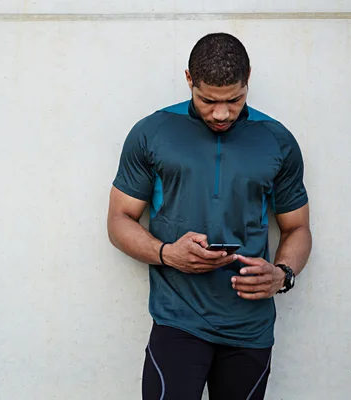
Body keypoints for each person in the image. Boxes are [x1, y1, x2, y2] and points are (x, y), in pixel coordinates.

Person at [107, 33, 312, 400]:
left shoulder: (277, 140)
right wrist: (167, 253)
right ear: (189, 80)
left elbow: (297, 227)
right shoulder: (152, 133)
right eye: (208, 100)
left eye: (234, 99)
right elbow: (119, 219)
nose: (221, 113)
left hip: (250, 326)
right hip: (179, 320)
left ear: (248, 78)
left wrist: (282, 275)